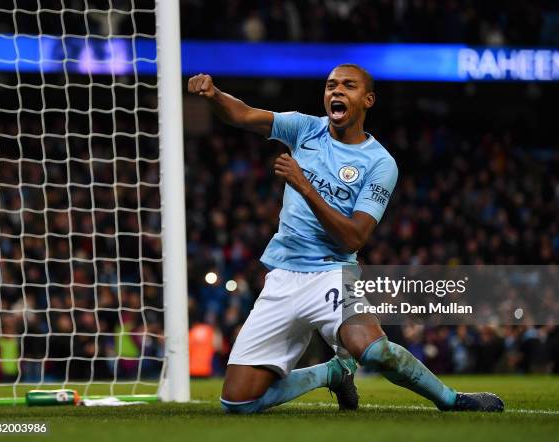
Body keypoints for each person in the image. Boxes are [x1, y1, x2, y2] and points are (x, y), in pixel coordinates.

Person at [187, 64, 504, 414]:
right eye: (330, 86)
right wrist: (214, 95)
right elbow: (243, 114)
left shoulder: (380, 163)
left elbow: (354, 237)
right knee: (238, 403)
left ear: (367, 99)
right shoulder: (304, 128)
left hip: (331, 273)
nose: (336, 91)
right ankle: (333, 373)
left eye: (348, 86)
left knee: (373, 351)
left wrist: (305, 186)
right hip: (283, 276)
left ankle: (451, 399)